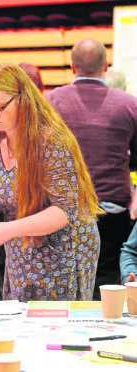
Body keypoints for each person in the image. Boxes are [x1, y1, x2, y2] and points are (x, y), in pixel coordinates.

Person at [0, 62, 102, 302]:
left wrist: (10, 229)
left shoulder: (51, 141)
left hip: (62, 249)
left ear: (22, 99)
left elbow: (64, 211)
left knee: (52, 327)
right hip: (21, 247)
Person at [45, 38, 137, 300]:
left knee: (62, 281)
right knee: (107, 285)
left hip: (59, 210)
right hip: (112, 209)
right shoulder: (130, 104)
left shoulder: (50, 102)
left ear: (72, 68)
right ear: (106, 66)